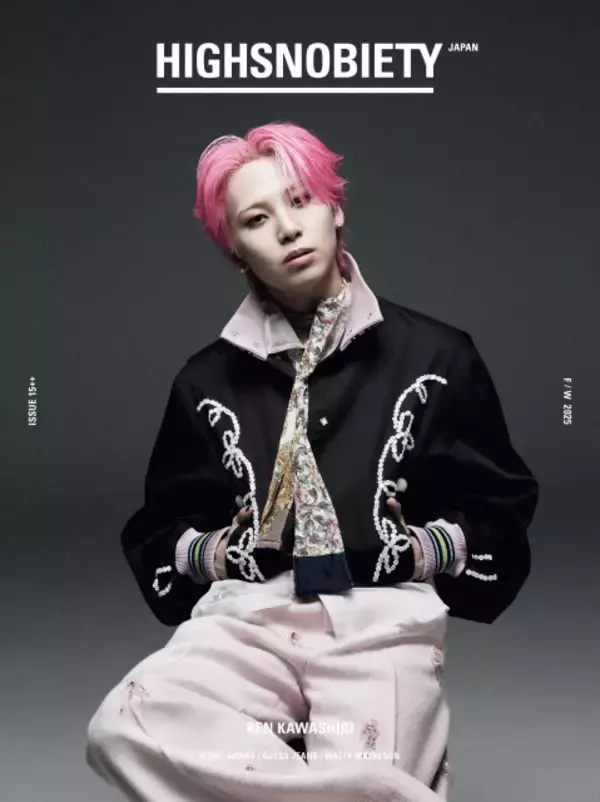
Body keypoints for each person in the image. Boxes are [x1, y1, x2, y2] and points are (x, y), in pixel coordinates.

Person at [85, 122, 539, 802]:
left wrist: (417, 549)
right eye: (257, 219)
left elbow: (499, 504)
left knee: (366, 761)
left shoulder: (438, 356)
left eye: (300, 201)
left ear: (336, 207)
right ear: (236, 251)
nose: (288, 229)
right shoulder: (204, 383)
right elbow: (163, 528)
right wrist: (221, 552)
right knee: (125, 727)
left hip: (379, 620)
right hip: (248, 620)